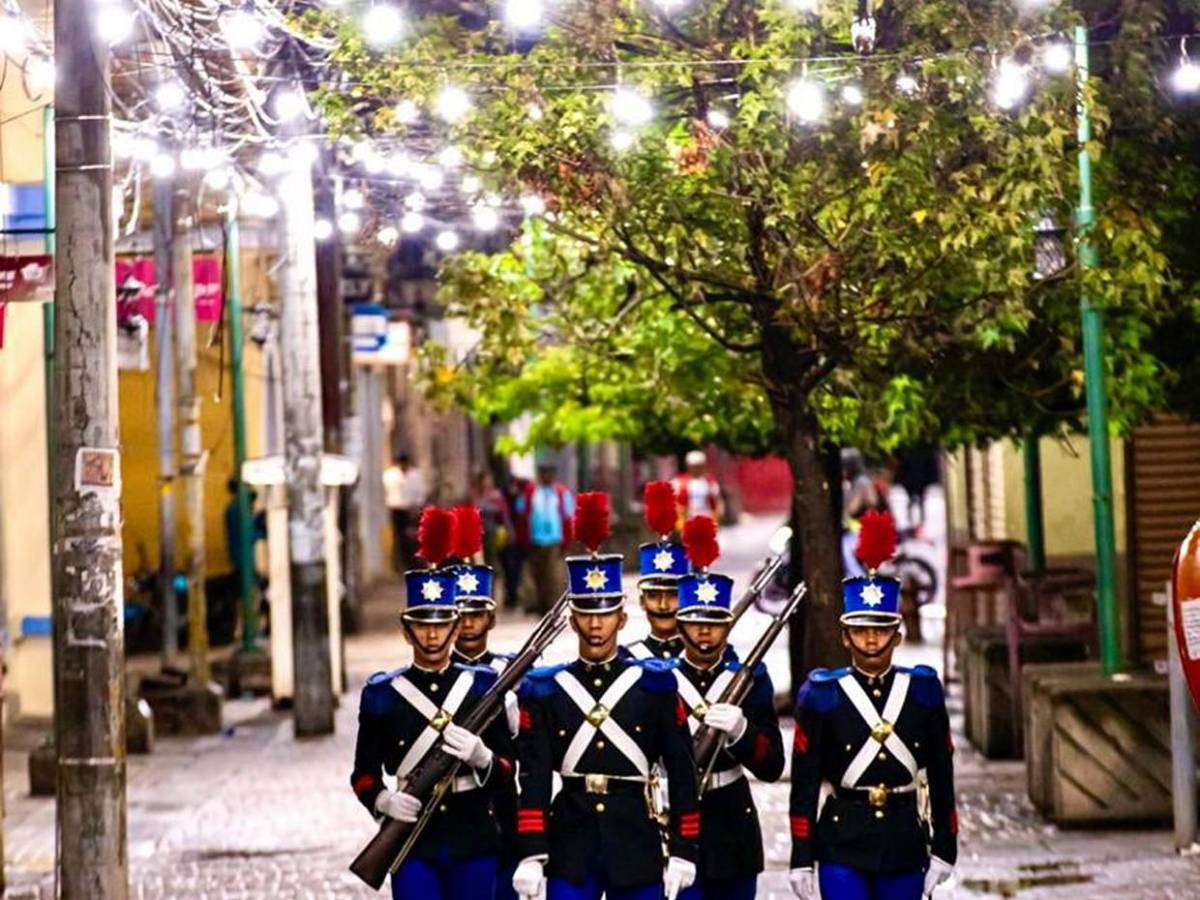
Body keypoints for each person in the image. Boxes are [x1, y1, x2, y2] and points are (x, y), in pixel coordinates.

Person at [511, 492, 700, 900]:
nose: (596, 624)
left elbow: (682, 772)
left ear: (622, 617)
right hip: (571, 841)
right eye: (586, 613)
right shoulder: (545, 690)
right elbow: (535, 776)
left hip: (636, 839)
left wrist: (684, 850)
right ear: (573, 618)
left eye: (605, 613)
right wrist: (531, 853)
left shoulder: (655, 684)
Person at [789, 511, 957, 900]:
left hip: (903, 840)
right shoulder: (821, 696)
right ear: (845, 637)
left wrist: (946, 847)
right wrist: (801, 855)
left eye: (880, 630)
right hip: (841, 841)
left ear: (896, 636)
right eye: (861, 631)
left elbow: (941, 775)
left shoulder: (922, 691)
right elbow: (805, 783)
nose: (870, 641)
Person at [349, 515, 515, 900]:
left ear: (456, 629)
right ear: (406, 631)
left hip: (473, 834)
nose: (433, 633)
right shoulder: (383, 694)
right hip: (413, 841)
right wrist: (381, 800)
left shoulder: (483, 686)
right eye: (422, 625)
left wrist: (483, 758)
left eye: (442, 624)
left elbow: (508, 770)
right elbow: (363, 773)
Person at [672, 517, 785, 900]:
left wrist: (742, 734)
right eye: (695, 621)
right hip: (669, 825)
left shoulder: (750, 680)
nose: (705, 631)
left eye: (715, 622)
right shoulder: (656, 682)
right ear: (679, 625)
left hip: (732, 823)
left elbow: (772, 767)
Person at [447, 513, 521, 900]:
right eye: (460, 615)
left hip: (502, 804)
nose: (468, 624)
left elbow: (531, 746)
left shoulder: (510, 672)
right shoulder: (436, 676)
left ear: (491, 617)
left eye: (476, 614)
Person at [624, 481, 689, 661]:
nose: (663, 606)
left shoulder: (703, 659)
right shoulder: (629, 660)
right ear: (641, 602)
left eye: (673, 595)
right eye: (653, 596)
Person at [516, 463, 574, 615]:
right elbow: (521, 511)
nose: (546, 477)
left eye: (549, 474)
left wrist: (568, 540)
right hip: (535, 539)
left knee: (553, 574)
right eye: (543, 474)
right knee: (537, 573)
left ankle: (552, 605)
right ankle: (539, 604)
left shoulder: (561, 493)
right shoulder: (531, 492)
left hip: (554, 540)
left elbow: (568, 516)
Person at [384, 453, 428, 574]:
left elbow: (421, 493)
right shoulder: (390, 475)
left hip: (412, 510)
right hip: (396, 509)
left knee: (412, 538)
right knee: (399, 538)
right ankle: (400, 564)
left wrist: (417, 508)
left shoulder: (415, 475)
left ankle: (413, 563)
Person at [500, 475, 530, 610]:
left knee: (516, 570)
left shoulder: (521, 498)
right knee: (509, 570)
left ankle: (514, 596)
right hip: (506, 541)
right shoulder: (504, 498)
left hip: (520, 540)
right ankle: (511, 596)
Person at [673, 451, 725, 523]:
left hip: (707, 518)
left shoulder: (710, 481)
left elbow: (718, 499)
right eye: (694, 466)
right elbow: (673, 502)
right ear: (688, 466)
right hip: (686, 520)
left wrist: (720, 513)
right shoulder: (678, 482)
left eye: (699, 466)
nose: (697, 469)